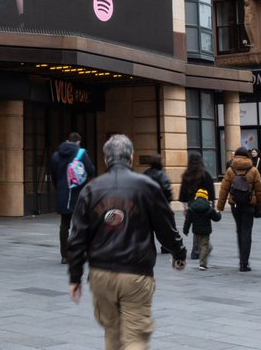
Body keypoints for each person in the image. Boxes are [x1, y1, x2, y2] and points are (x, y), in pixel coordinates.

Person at [66, 134, 186, 350]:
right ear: (130, 157)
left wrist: (75, 276)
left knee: (112, 333)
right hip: (135, 273)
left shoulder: (91, 189)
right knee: (135, 338)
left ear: (105, 159)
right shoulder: (147, 187)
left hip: (101, 273)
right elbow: (166, 228)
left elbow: (77, 237)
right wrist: (179, 253)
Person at [49, 132, 96, 264]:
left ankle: (65, 255)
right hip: (79, 194)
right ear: (78, 142)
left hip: (63, 194)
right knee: (80, 224)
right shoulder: (81, 153)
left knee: (64, 225)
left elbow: (54, 175)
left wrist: (60, 189)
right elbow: (91, 170)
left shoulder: (56, 155)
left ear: (66, 140)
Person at [216, 147, 261, 272]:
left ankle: (241, 260)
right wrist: (259, 205)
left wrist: (220, 207)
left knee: (239, 230)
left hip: (235, 205)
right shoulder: (253, 170)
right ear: (247, 156)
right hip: (249, 205)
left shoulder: (230, 170)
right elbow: (259, 190)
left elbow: (224, 189)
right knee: (246, 232)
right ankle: (245, 262)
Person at [181, 188, 220, 270]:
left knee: (199, 245)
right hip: (206, 231)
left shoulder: (192, 207)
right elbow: (216, 218)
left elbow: (188, 220)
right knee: (204, 246)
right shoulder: (208, 207)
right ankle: (202, 263)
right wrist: (219, 214)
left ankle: (199, 257)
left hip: (196, 230)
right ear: (206, 197)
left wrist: (185, 230)